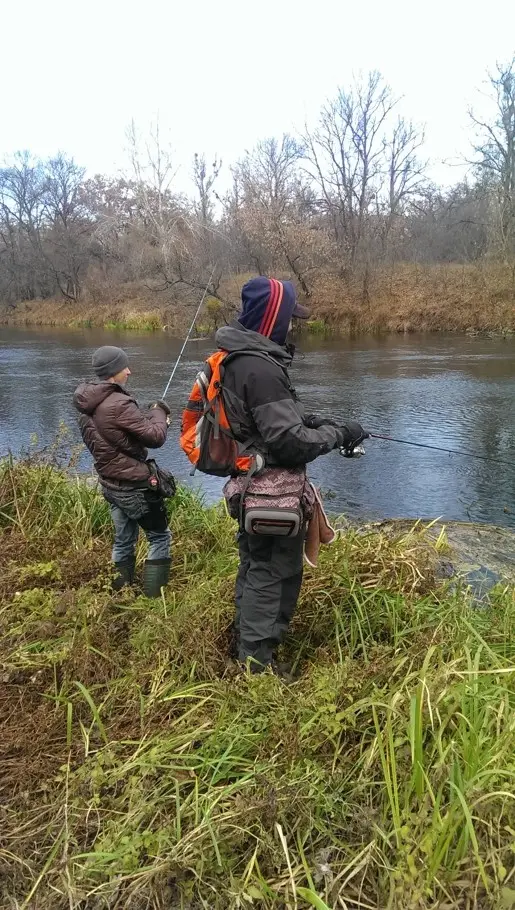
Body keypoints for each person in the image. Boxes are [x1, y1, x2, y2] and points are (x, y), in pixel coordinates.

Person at [215, 276, 368, 672]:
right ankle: (257, 666)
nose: (293, 324)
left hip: (251, 488)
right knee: (271, 575)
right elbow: (289, 444)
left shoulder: (243, 357)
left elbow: (265, 420)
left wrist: (317, 420)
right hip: (271, 495)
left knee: (256, 568)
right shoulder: (259, 367)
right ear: (272, 319)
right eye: (289, 317)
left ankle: (247, 647)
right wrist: (337, 434)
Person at [73, 345, 172, 597]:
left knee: (123, 541)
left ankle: (120, 593)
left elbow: (119, 440)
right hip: (135, 485)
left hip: (111, 484)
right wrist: (159, 412)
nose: (129, 371)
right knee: (159, 537)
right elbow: (156, 437)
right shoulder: (118, 403)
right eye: (124, 367)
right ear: (112, 372)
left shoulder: (86, 405)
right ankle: (153, 600)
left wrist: (148, 417)